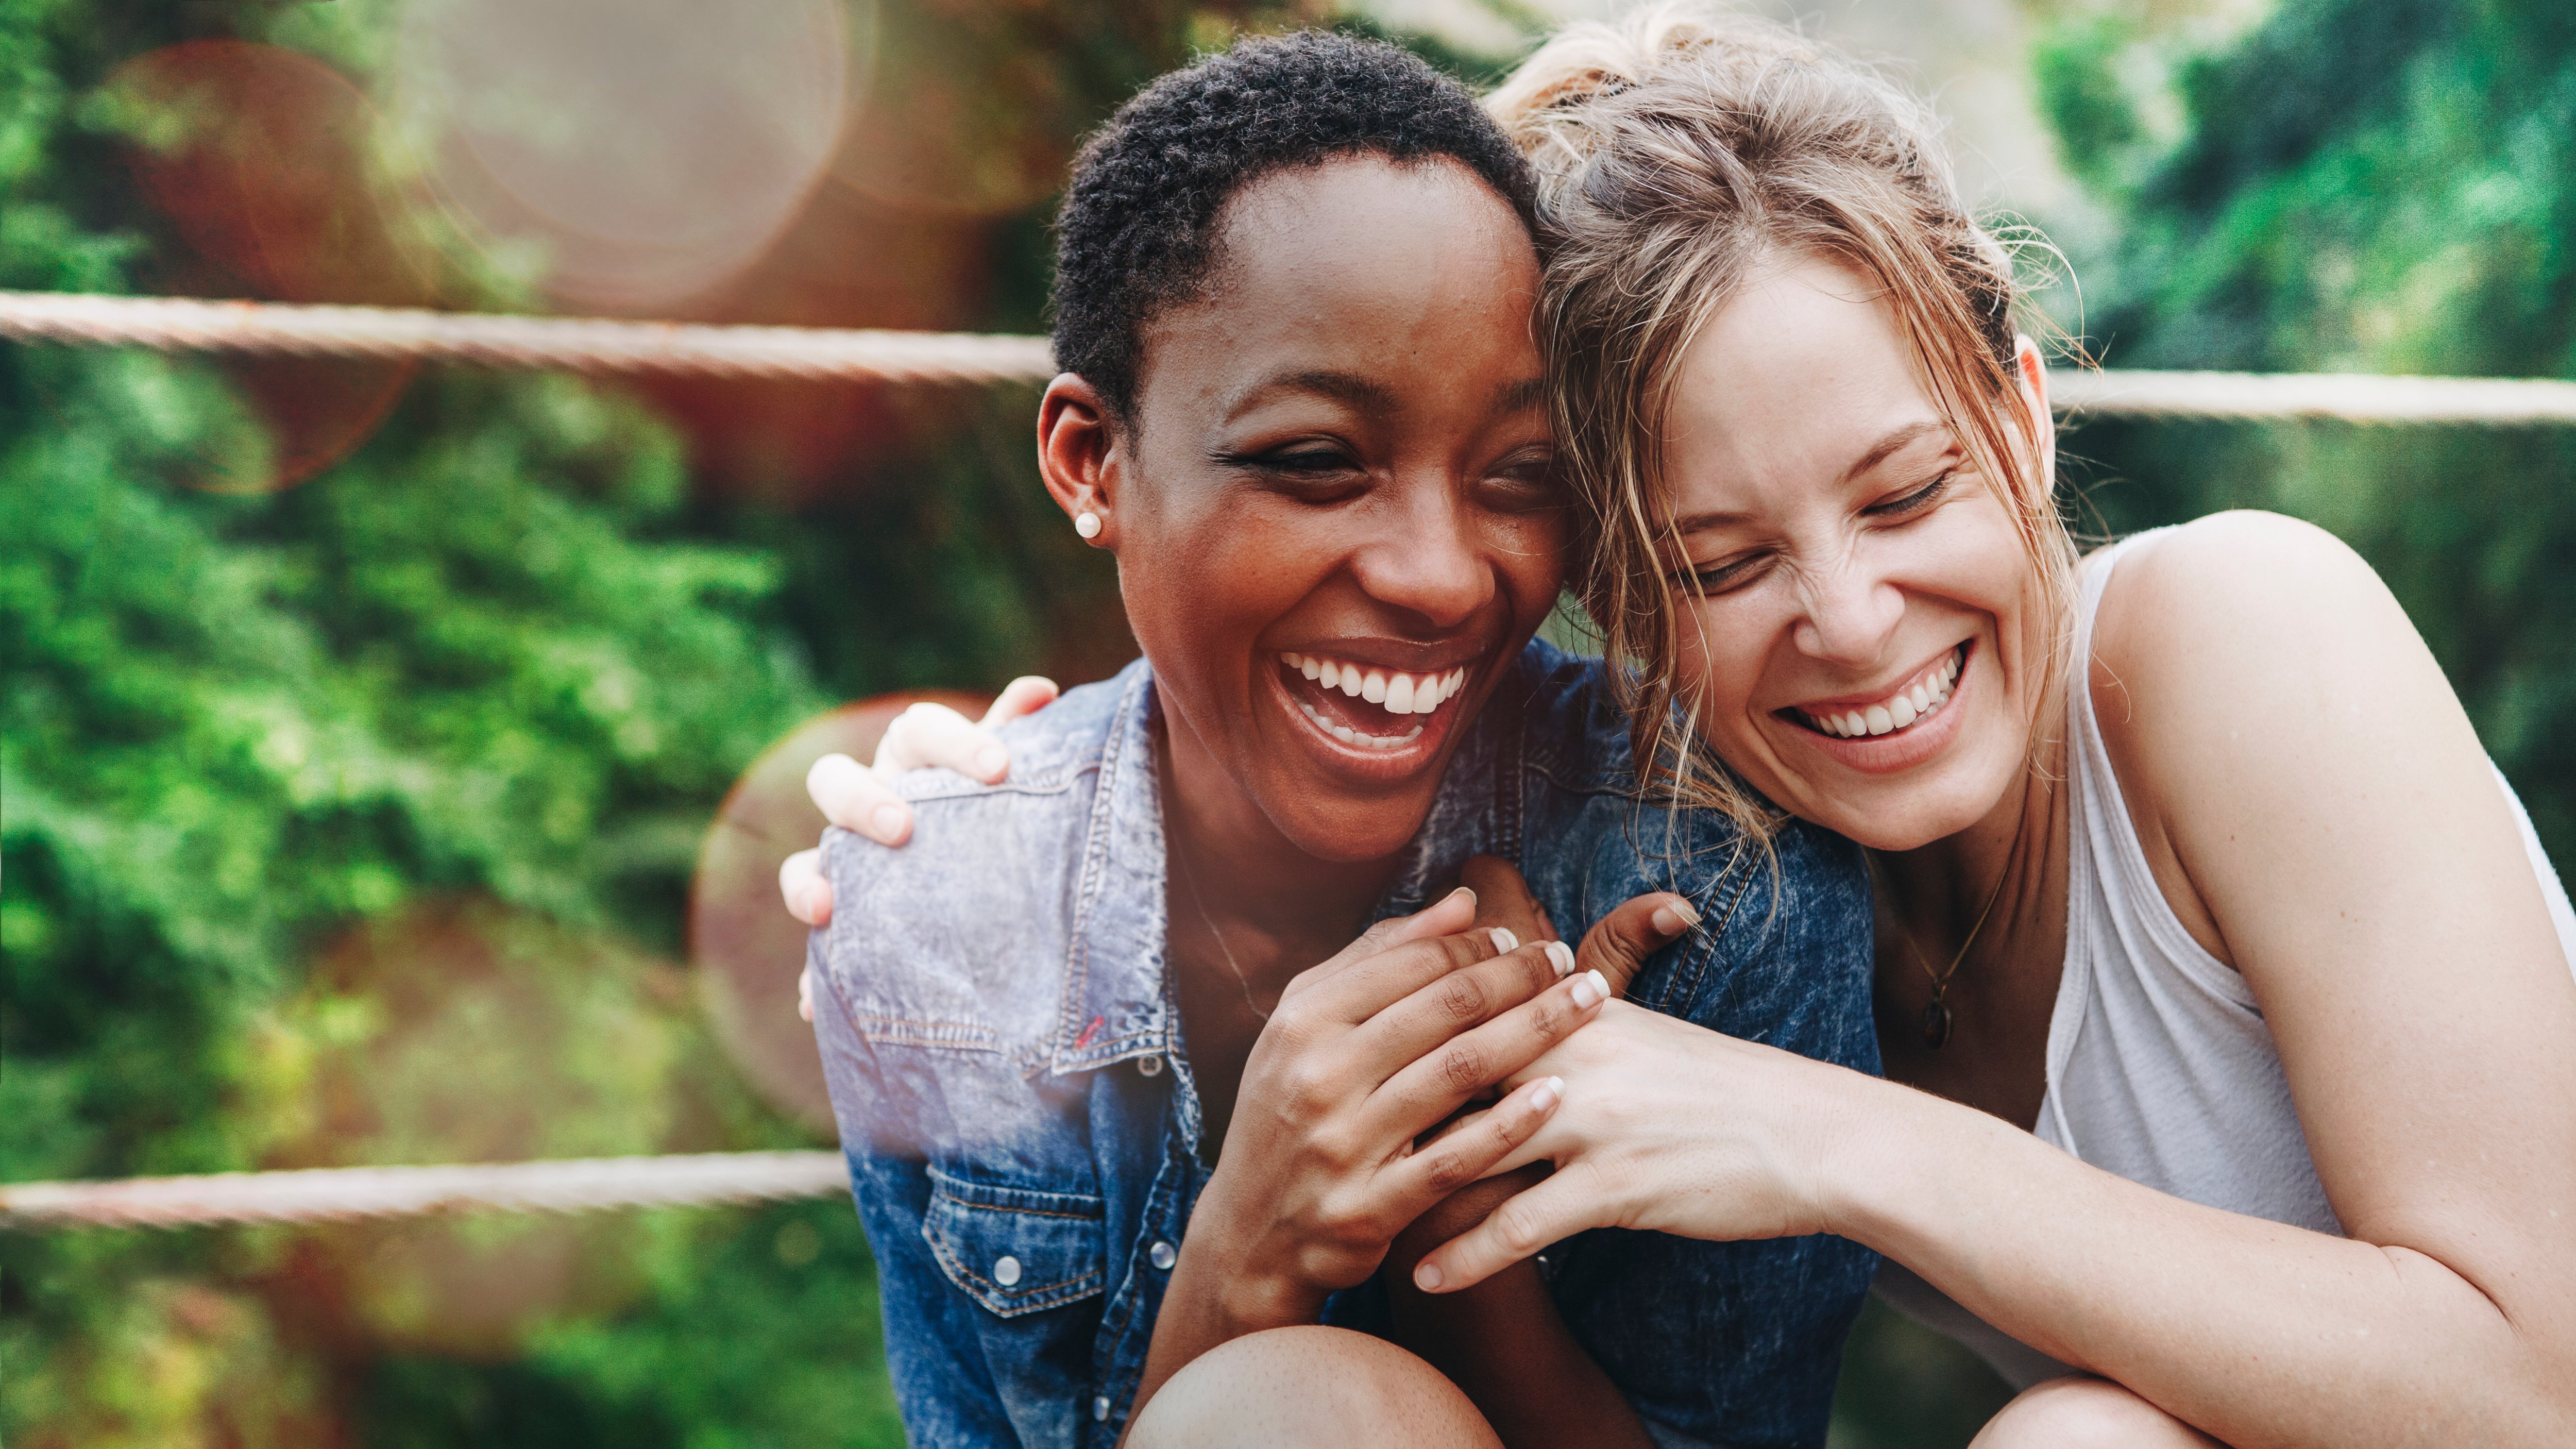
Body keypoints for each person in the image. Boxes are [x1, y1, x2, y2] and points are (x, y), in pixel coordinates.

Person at [1372, 10, 2576, 1447]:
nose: (1856, 620)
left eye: (1903, 494)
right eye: (1724, 565)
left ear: (2019, 414)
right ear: (1620, 606)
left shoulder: (2242, 633)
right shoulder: (1737, 902)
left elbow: (2538, 1382)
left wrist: (1842, 1141)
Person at [797, 32, 1881, 1449]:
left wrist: (1464, 1232)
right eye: (1317, 461)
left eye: (1521, 475)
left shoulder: (1714, 882)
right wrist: (1251, 1246)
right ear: (1091, 462)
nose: (1441, 574)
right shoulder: (926, 917)